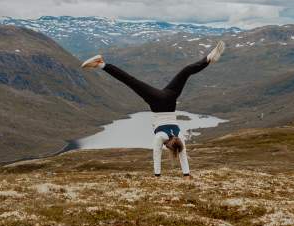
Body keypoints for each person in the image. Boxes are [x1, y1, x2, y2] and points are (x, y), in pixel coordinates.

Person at [81, 41, 225, 177]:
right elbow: (157, 154)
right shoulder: (161, 137)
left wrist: (186, 175)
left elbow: (183, 154)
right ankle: (100, 64)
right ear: (168, 146)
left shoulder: (179, 136)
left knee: (186, 72)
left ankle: (208, 59)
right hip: (156, 101)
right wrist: (157, 176)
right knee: (130, 81)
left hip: (170, 98)